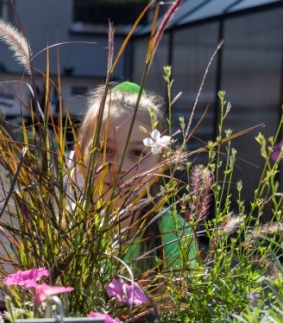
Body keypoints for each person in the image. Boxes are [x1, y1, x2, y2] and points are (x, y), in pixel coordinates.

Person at [74, 81, 199, 281]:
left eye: (137, 153)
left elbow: (180, 307)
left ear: (161, 164)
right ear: (79, 158)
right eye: (105, 150)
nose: (120, 166)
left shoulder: (174, 235)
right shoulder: (70, 230)